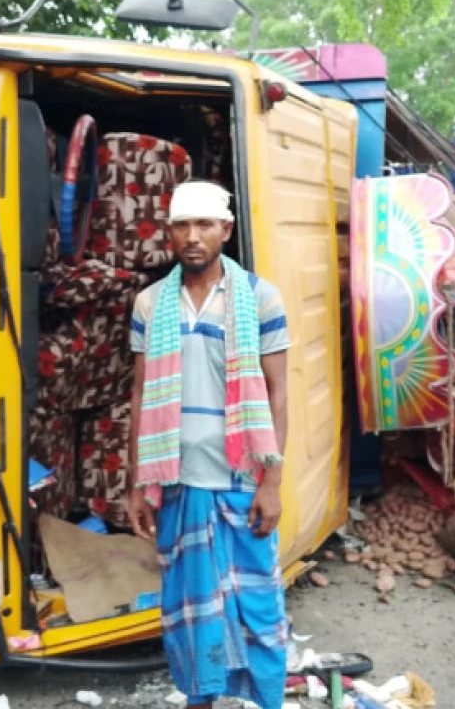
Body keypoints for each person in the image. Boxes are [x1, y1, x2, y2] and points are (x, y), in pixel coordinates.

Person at [127, 180, 290, 709]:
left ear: (226, 230)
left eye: (204, 225)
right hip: (176, 481)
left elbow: (277, 391)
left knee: (257, 604)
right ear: (170, 232)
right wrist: (137, 483)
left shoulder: (260, 299)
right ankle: (201, 699)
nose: (192, 236)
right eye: (181, 225)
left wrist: (273, 481)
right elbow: (139, 392)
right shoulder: (150, 304)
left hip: (241, 480)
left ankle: (264, 700)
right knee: (190, 606)